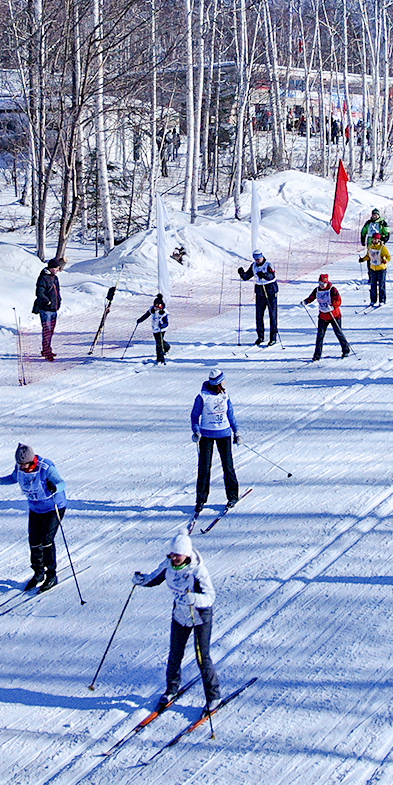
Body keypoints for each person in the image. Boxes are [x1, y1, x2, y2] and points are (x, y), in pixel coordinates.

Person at [132, 532, 220, 710]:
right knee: (175, 655)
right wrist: (141, 580)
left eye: (177, 555)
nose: (174, 558)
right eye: (172, 554)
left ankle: (213, 697)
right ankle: (171, 689)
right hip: (180, 614)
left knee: (203, 658)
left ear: (186, 554)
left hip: (200, 616)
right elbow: (153, 578)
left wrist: (194, 599)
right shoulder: (169, 565)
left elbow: (210, 597)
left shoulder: (198, 570)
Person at [0, 444, 67, 591]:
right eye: (20, 464)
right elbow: (14, 478)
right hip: (35, 508)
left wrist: (55, 487)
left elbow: (62, 483)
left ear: (32, 460)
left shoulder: (45, 467)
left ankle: (51, 575)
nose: (23, 467)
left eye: (25, 464)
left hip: (53, 507)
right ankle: (39, 573)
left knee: (46, 540)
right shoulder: (19, 468)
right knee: (34, 541)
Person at [190, 369, 240, 522]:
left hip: (224, 434)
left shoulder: (225, 396)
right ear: (217, 383)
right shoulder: (202, 397)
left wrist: (236, 432)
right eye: (223, 381)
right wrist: (196, 430)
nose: (225, 383)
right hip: (206, 435)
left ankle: (232, 496)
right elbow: (194, 415)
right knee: (204, 468)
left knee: (228, 466)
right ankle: (201, 499)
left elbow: (230, 414)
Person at [302, 274, 351, 360]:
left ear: (327, 282)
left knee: (338, 333)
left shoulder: (333, 290)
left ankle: (346, 350)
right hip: (323, 316)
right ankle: (317, 355)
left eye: (323, 283)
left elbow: (338, 300)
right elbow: (311, 297)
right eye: (320, 282)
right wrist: (305, 301)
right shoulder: (317, 290)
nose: (321, 285)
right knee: (320, 335)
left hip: (334, 315)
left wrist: (333, 306)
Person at [236, 252, 279, 345]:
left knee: (272, 315)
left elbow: (272, 275)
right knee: (259, 316)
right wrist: (241, 273)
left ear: (262, 257)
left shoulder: (269, 264)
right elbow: (247, 276)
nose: (257, 261)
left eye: (259, 259)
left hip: (270, 291)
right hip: (260, 292)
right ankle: (260, 336)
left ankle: (273, 338)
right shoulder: (254, 266)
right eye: (256, 259)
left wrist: (264, 275)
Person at [31, 257, 65, 361]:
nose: (58, 270)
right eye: (56, 268)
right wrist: (47, 301)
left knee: (51, 331)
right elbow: (39, 293)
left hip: (54, 308)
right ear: (51, 268)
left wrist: (58, 300)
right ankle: (46, 351)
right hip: (45, 309)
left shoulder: (55, 278)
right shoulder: (43, 278)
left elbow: (57, 291)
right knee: (47, 330)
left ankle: (47, 349)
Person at [135, 294, 171, 364]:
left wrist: (162, 325)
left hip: (161, 329)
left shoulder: (164, 313)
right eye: (156, 306)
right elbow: (146, 315)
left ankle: (160, 359)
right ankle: (166, 346)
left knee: (158, 344)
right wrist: (140, 320)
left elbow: (166, 322)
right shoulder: (152, 310)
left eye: (159, 306)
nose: (157, 308)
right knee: (160, 341)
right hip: (155, 328)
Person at [360, 234, 391, 307]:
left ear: (379, 240)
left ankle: (382, 300)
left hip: (381, 268)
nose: (374, 241)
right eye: (373, 239)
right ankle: (373, 300)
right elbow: (368, 256)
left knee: (381, 285)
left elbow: (389, 257)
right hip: (373, 268)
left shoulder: (383, 248)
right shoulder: (370, 247)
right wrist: (363, 259)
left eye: (376, 239)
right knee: (373, 285)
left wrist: (385, 260)